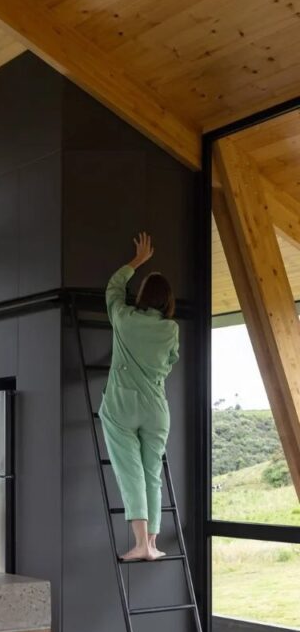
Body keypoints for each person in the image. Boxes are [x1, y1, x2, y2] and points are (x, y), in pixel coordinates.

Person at [99, 232, 179, 562]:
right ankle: (153, 544)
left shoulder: (124, 318)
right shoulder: (171, 329)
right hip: (156, 407)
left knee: (131, 473)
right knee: (151, 475)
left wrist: (136, 261)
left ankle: (140, 543)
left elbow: (113, 289)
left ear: (143, 295)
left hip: (122, 405)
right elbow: (171, 360)